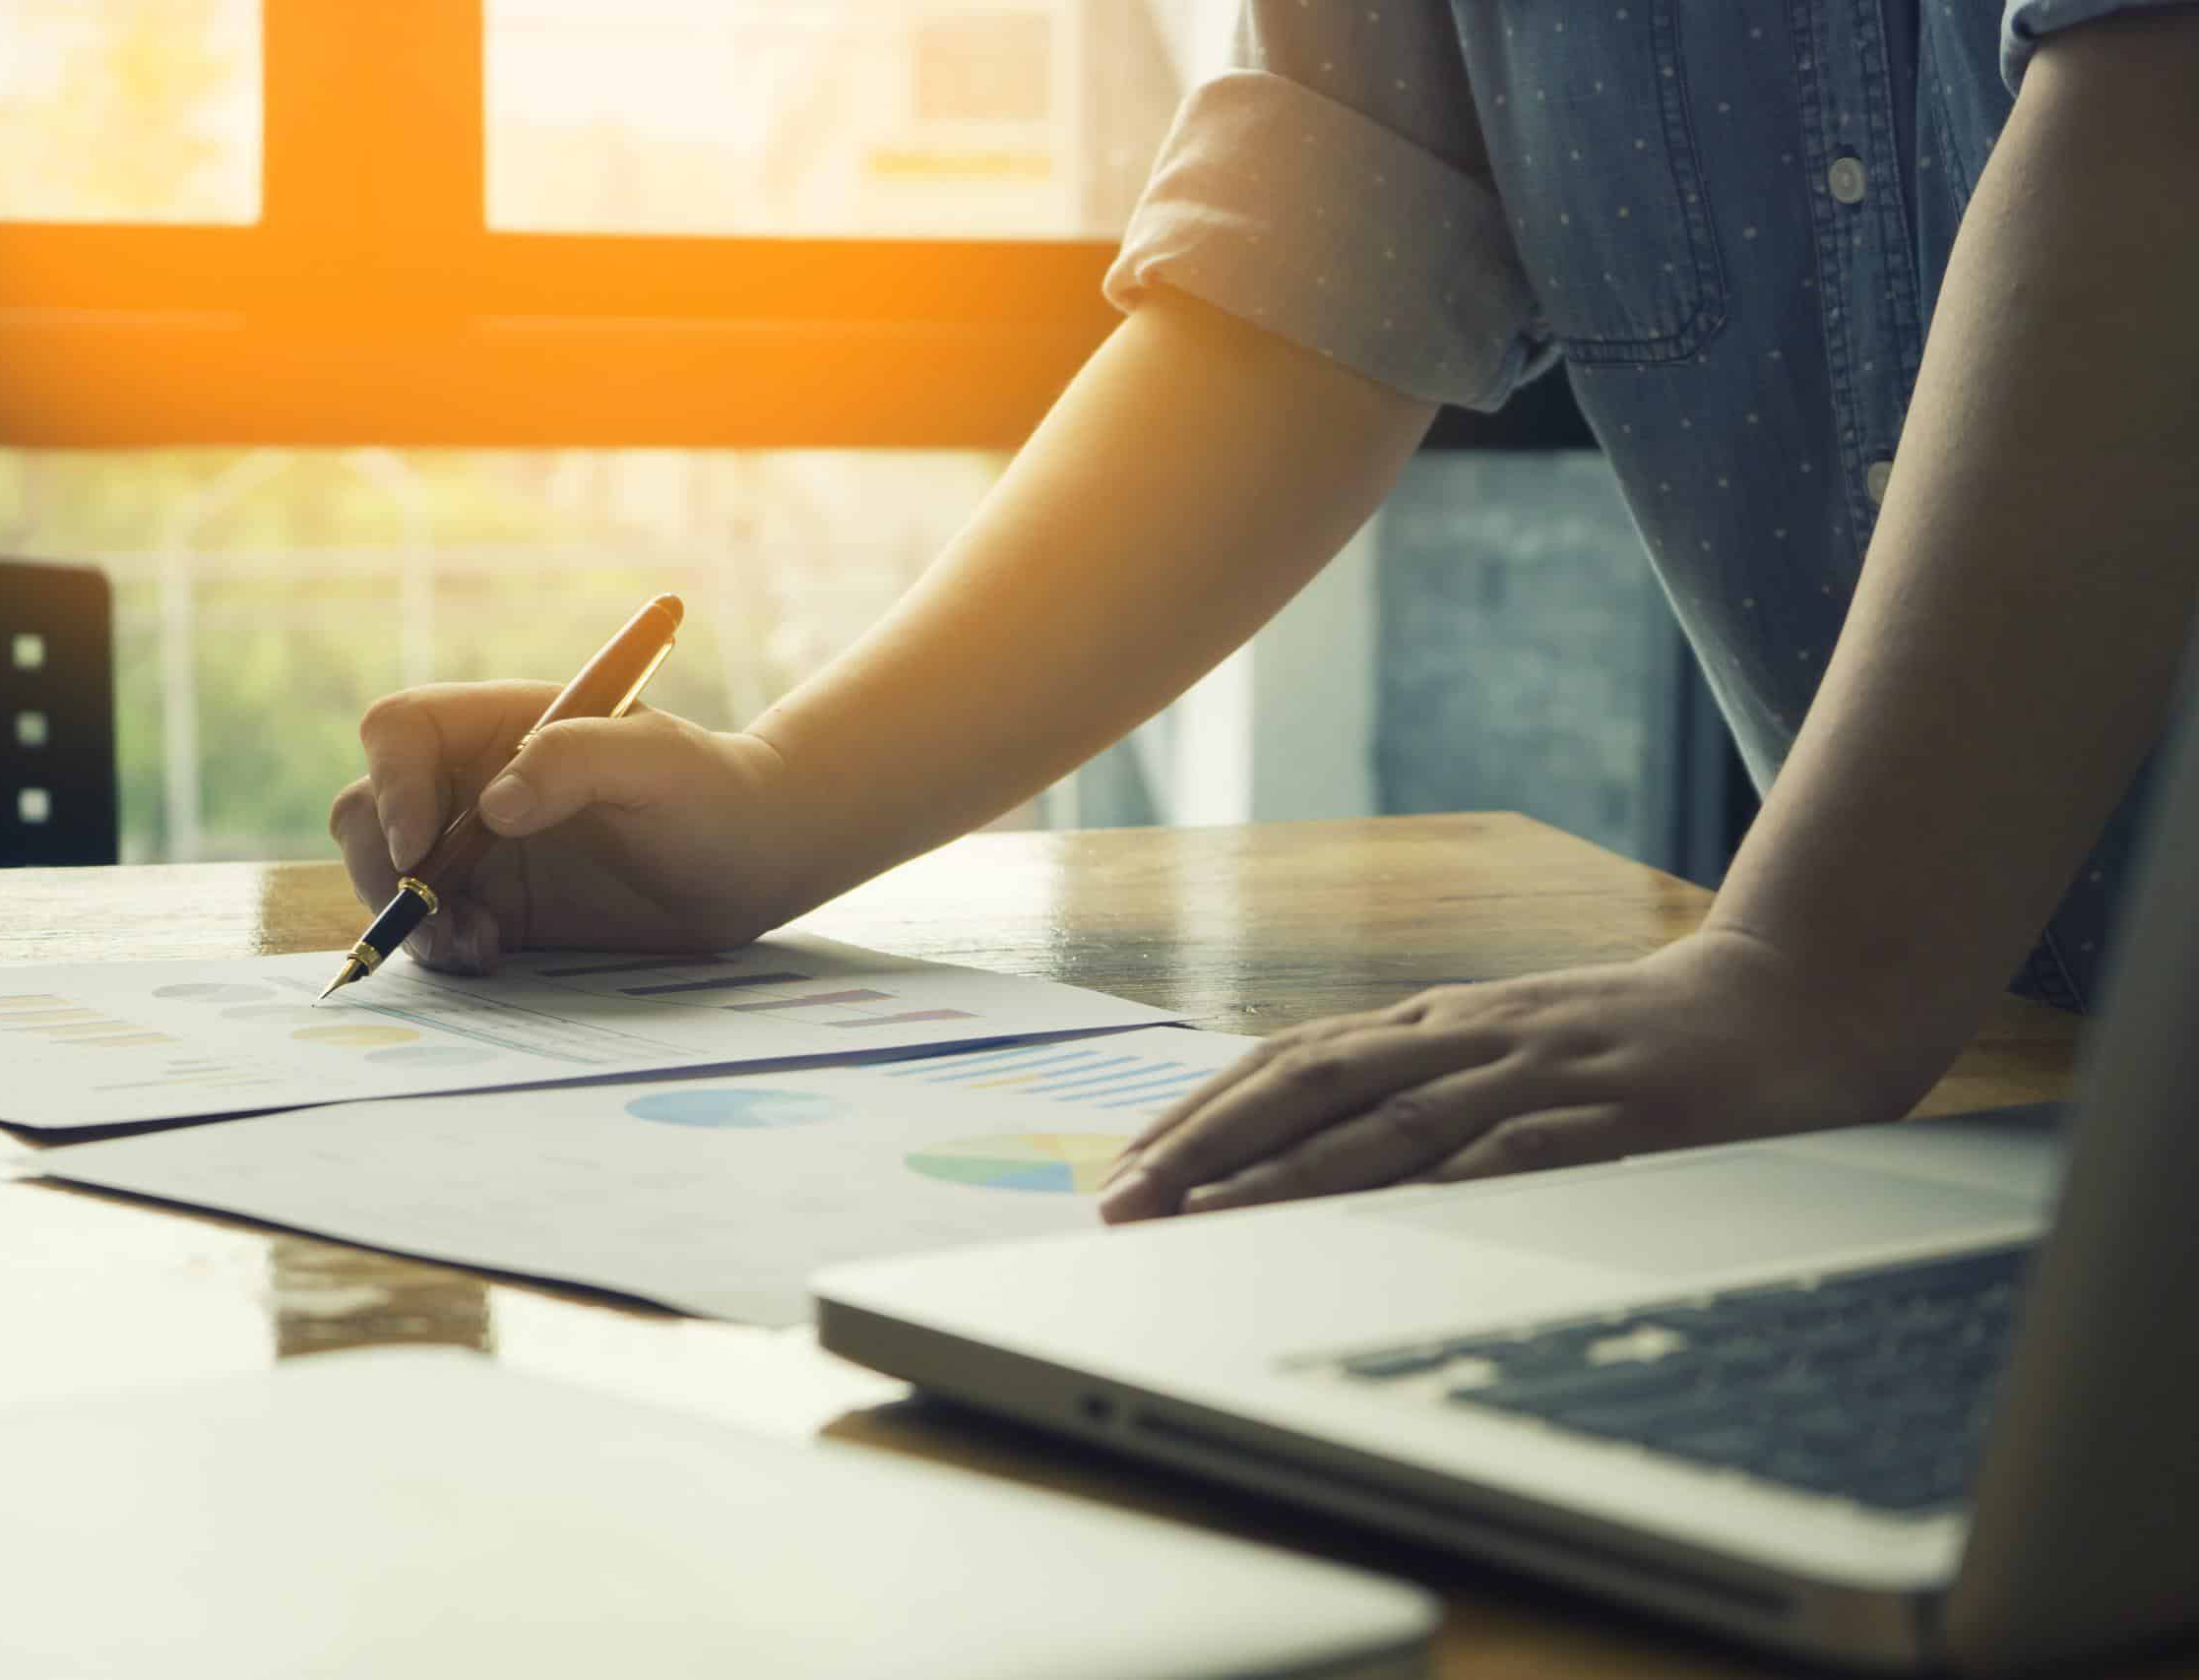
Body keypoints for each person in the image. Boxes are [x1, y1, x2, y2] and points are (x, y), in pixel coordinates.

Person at [331, 1, 2198, 1225]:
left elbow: (2161, 118)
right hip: (2000, 1124)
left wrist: (1816, 975)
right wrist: (770, 801)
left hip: (1908, 1060)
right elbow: (1314, 273)